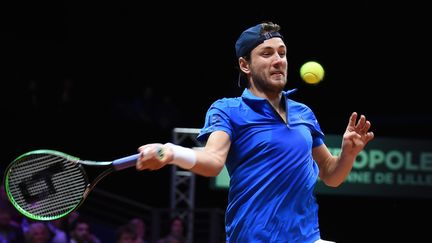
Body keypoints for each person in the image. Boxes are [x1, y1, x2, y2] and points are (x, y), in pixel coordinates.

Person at [135, 21, 374, 242]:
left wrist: (348, 154)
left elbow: (331, 175)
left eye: (282, 53)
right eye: (267, 53)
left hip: (306, 237)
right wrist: (170, 152)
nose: (279, 60)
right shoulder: (228, 110)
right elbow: (213, 161)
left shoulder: (303, 113)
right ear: (245, 65)